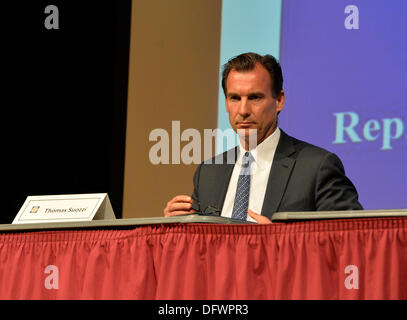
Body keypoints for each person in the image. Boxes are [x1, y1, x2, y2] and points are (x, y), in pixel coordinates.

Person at [163, 52, 363, 223]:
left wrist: (279, 243)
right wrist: (177, 227)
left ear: (279, 101)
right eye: (235, 98)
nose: (243, 110)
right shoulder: (208, 172)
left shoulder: (317, 167)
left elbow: (349, 239)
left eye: (254, 98)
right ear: (225, 103)